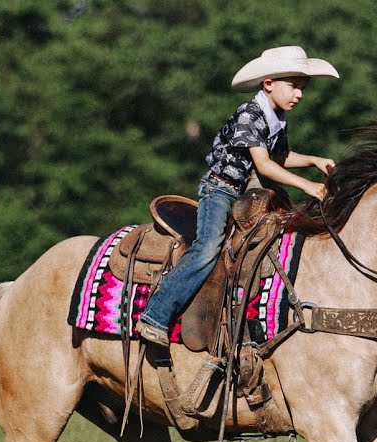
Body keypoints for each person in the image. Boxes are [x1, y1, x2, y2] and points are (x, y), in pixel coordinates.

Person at [137, 46, 339, 347]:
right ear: (268, 83)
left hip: (244, 193)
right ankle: (155, 316)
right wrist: (308, 186)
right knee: (208, 247)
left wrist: (313, 159)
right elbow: (264, 165)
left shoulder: (276, 117)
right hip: (220, 190)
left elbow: (278, 155)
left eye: (303, 88)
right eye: (293, 86)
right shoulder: (250, 114)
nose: (299, 94)